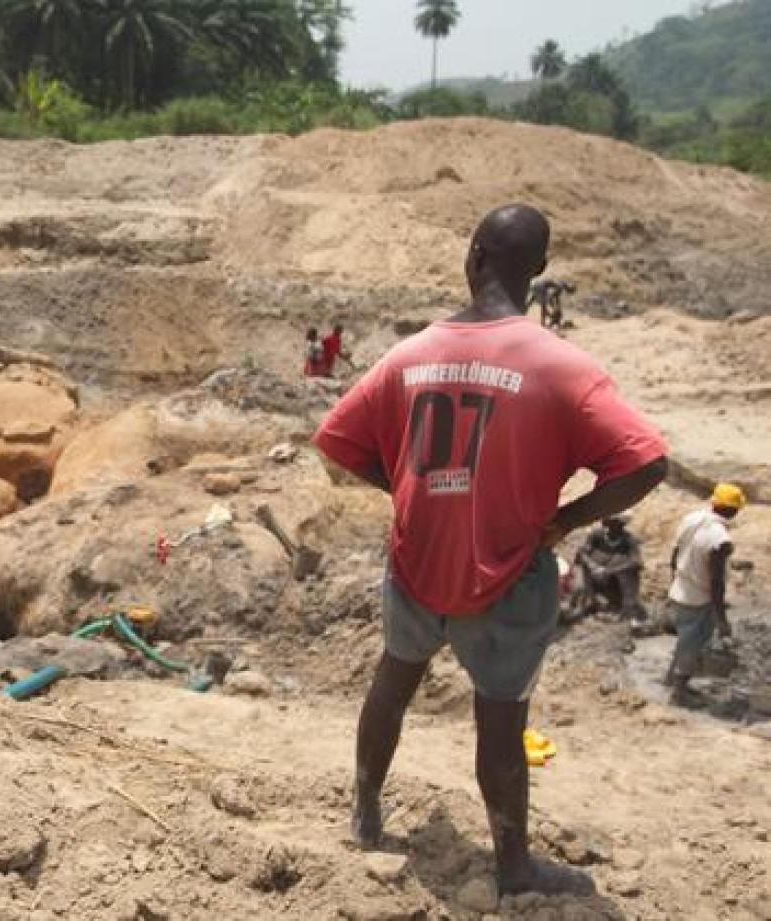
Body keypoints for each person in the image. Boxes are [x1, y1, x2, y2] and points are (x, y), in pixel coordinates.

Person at [313, 204, 667, 899]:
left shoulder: (408, 354)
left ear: (472, 256)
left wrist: (408, 485)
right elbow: (647, 463)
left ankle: (364, 813)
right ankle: (511, 865)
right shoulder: (561, 366)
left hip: (417, 562)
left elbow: (337, 437)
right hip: (505, 571)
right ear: (538, 274)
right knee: (500, 721)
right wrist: (566, 519)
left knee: (393, 682)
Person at [663, 483, 743, 707]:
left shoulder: (691, 519)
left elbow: (675, 554)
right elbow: (716, 583)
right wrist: (722, 619)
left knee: (684, 638)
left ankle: (672, 678)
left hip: (680, 588)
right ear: (735, 510)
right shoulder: (721, 541)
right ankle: (679, 693)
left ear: (714, 502)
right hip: (698, 597)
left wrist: (674, 582)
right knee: (693, 643)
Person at [567, 515, 646, 623]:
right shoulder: (596, 535)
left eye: (618, 523)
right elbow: (582, 552)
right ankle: (580, 607)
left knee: (629, 573)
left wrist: (608, 570)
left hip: (614, 579)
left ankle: (629, 611)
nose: (614, 526)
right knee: (579, 583)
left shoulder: (629, 540)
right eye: (611, 523)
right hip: (592, 574)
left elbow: (636, 561)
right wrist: (592, 565)